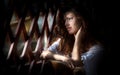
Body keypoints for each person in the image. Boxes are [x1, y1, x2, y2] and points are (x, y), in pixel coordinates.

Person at [40, 6, 104, 75]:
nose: (66, 24)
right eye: (65, 20)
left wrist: (78, 38)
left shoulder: (97, 49)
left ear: (82, 21)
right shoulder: (63, 41)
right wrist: (63, 58)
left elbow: (76, 63)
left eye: (70, 19)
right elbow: (44, 54)